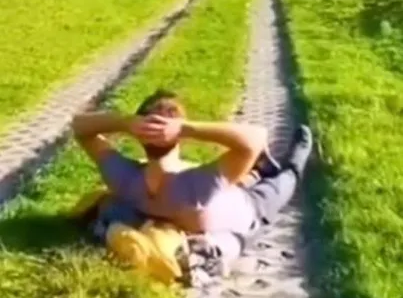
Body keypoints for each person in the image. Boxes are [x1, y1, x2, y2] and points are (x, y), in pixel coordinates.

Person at [72, 90, 313, 262]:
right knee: (285, 180)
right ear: (179, 139)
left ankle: (258, 170)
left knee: (241, 179)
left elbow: (79, 127)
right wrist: (185, 128)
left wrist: (127, 123)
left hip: (228, 195)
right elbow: (257, 137)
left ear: (140, 137)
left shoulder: (125, 178)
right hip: (248, 207)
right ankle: (289, 163)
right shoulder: (194, 186)